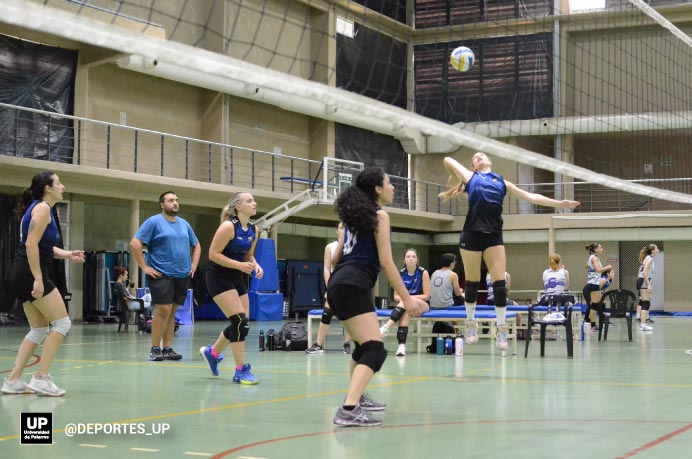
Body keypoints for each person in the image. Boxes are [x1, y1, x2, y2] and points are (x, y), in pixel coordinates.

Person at [440, 153, 579, 350]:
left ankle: (501, 327)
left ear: (490, 161)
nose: (478, 156)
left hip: (493, 236)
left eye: (482, 155)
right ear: (473, 166)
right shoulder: (470, 177)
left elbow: (531, 197)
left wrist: (560, 204)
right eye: (474, 157)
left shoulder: (502, 182)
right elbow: (447, 160)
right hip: (471, 234)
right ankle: (471, 323)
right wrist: (456, 175)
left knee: (499, 284)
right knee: (471, 283)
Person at [327, 167, 428, 427]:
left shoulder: (355, 219)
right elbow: (386, 262)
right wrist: (407, 300)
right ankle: (349, 408)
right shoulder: (379, 216)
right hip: (353, 284)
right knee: (375, 350)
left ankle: (357, 398)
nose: (394, 187)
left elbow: (336, 258)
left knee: (362, 346)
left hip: (339, 283)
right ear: (377, 189)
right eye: (390, 183)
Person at [2, 172, 85, 396]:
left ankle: (13, 381)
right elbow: (30, 244)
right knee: (62, 324)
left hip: (22, 272)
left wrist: (68, 254)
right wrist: (38, 278)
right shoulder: (42, 208)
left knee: (39, 329)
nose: (62, 186)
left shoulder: (43, 209)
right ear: (47, 188)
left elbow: (44, 247)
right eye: (58, 183)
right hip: (29, 272)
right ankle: (41, 378)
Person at [200, 192, 264, 384]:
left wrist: (256, 265)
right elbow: (213, 254)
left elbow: (248, 256)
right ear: (238, 207)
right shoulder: (228, 227)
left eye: (254, 200)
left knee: (242, 324)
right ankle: (240, 370)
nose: (254, 203)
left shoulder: (254, 229)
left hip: (238, 277)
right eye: (249, 201)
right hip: (219, 277)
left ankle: (213, 353)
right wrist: (239, 266)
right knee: (239, 321)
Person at [130, 191, 201, 361]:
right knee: (163, 309)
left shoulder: (184, 224)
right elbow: (135, 243)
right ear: (162, 204)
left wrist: (194, 264)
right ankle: (155, 349)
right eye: (170, 200)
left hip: (182, 273)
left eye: (176, 200)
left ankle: (168, 348)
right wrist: (144, 266)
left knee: (172, 310)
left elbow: (196, 245)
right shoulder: (154, 222)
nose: (175, 203)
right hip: (161, 273)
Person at [306, 223, 352, 355]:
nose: (344, 230)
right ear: (337, 231)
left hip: (349, 285)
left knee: (348, 315)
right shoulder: (330, 247)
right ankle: (318, 345)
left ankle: (347, 344)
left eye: (346, 228)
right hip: (334, 284)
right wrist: (330, 286)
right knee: (327, 312)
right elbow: (326, 268)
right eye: (341, 228)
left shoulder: (353, 247)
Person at [379, 248, 431, 356]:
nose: (411, 259)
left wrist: (408, 298)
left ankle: (387, 326)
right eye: (408, 257)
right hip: (406, 304)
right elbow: (396, 296)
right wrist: (407, 300)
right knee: (406, 311)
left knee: (406, 303)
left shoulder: (423, 273)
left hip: (422, 304)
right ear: (404, 260)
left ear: (417, 260)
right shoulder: (400, 274)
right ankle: (401, 346)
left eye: (413, 257)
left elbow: (426, 296)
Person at [582, 243, 613, 333]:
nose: (602, 249)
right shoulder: (594, 258)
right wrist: (607, 267)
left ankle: (593, 326)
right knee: (594, 305)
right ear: (595, 249)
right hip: (592, 284)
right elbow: (598, 270)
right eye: (600, 247)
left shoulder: (594, 257)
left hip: (594, 284)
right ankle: (591, 324)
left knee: (594, 306)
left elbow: (589, 267)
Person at [636, 243, 659, 331]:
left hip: (643, 280)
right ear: (652, 250)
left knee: (643, 302)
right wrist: (649, 284)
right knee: (646, 303)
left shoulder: (647, 258)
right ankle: (643, 324)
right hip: (644, 281)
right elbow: (645, 272)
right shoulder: (649, 259)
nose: (657, 249)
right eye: (656, 248)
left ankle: (642, 323)